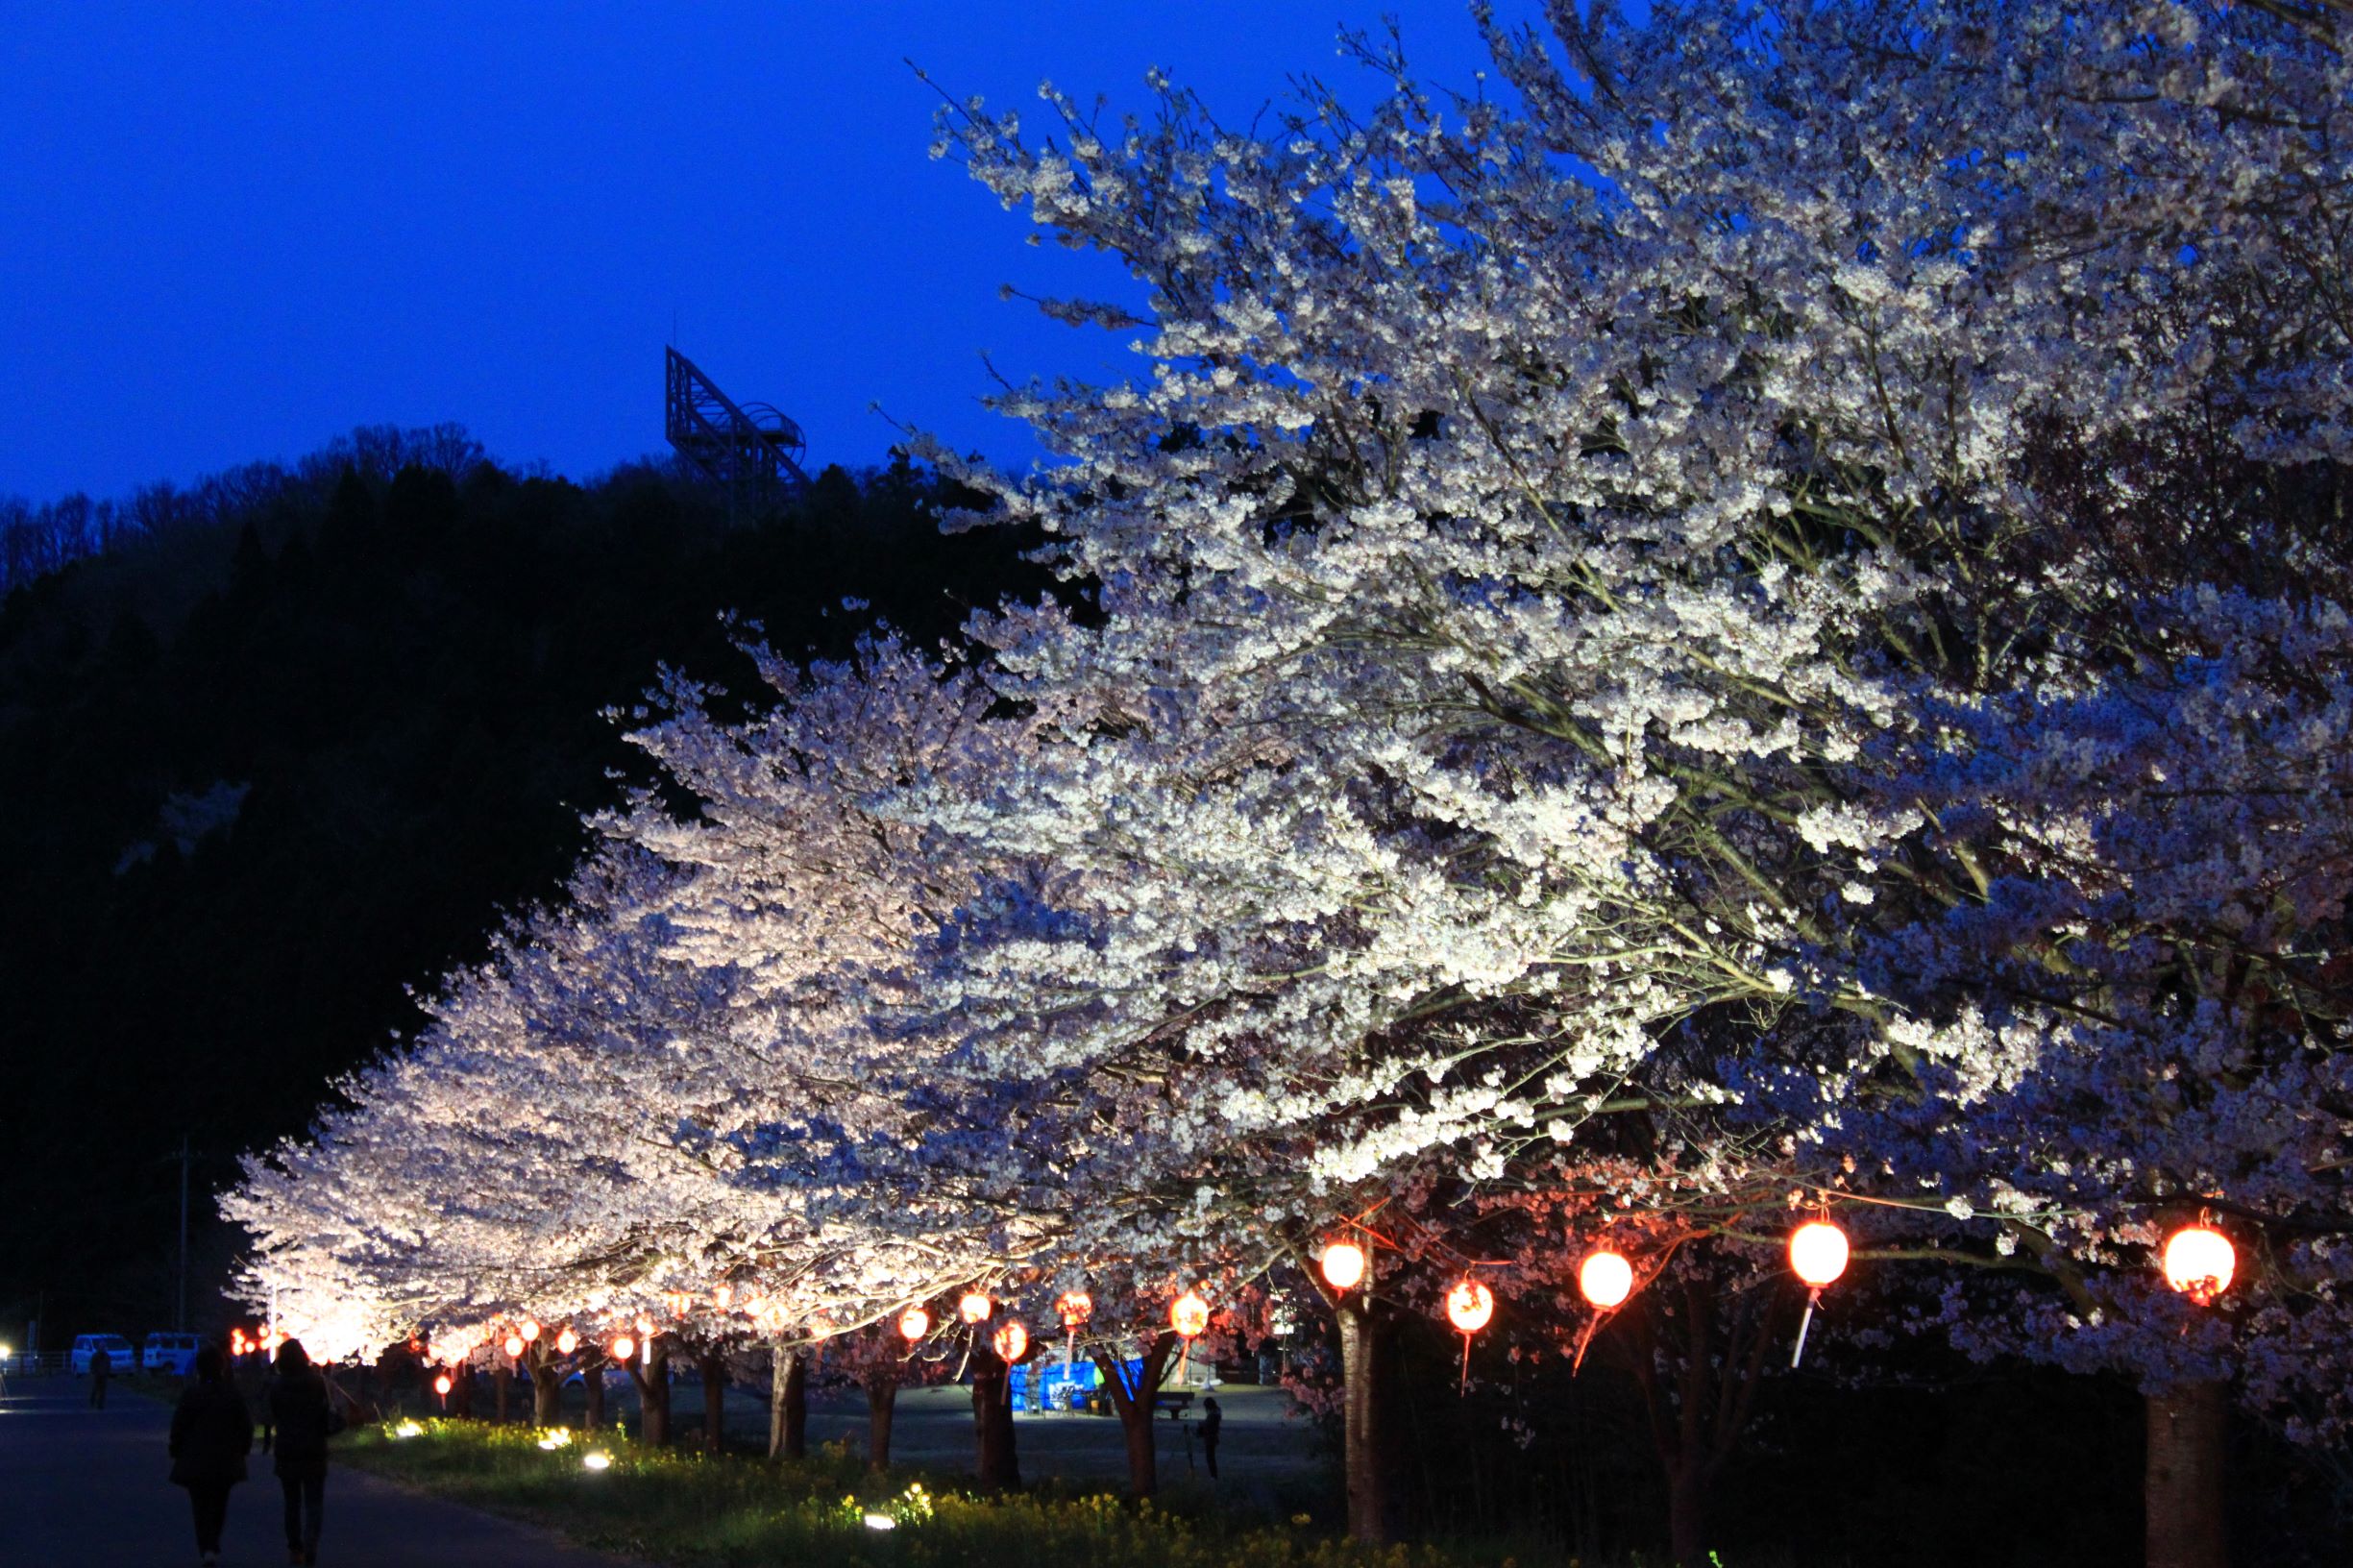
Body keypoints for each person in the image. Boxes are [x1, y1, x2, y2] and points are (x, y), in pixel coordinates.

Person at [170, 1345, 256, 1566]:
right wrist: (243, 1450)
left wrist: (176, 1448)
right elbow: (245, 1426)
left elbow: (179, 1426)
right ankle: (213, 1543)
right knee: (219, 1503)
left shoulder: (191, 1395)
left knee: (200, 1506)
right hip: (225, 1459)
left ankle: (206, 1547)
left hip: (195, 1459)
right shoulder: (232, 1395)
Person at [268, 1339, 335, 1566]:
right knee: (314, 1501)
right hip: (314, 1448)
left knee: (292, 1502)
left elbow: (272, 1414)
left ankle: (295, 1547)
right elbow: (326, 1412)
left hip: (287, 1448)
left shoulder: (277, 1385)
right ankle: (311, 1543)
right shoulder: (317, 1383)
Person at [1199, 1395, 1222, 1480]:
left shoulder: (1213, 1415)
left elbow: (1208, 1425)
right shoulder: (1217, 1412)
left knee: (1210, 1457)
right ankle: (1213, 1474)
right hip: (1212, 1436)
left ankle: (1213, 1475)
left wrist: (1202, 1425)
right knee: (1211, 1456)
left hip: (1210, 1437)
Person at [89, 1343, 112, 1408]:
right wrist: (93, 1372)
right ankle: (92, 1401)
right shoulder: (95, 1356)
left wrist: (108, 1372)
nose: (102, 1349)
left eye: (103, 1348)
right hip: (97, 1374)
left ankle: (100, 1404)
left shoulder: (107, 1357)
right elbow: (92, 1365)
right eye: (101, 1348)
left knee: (103, 1391)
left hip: (104, 1375)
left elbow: (108, 1365)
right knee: (95, 1389)